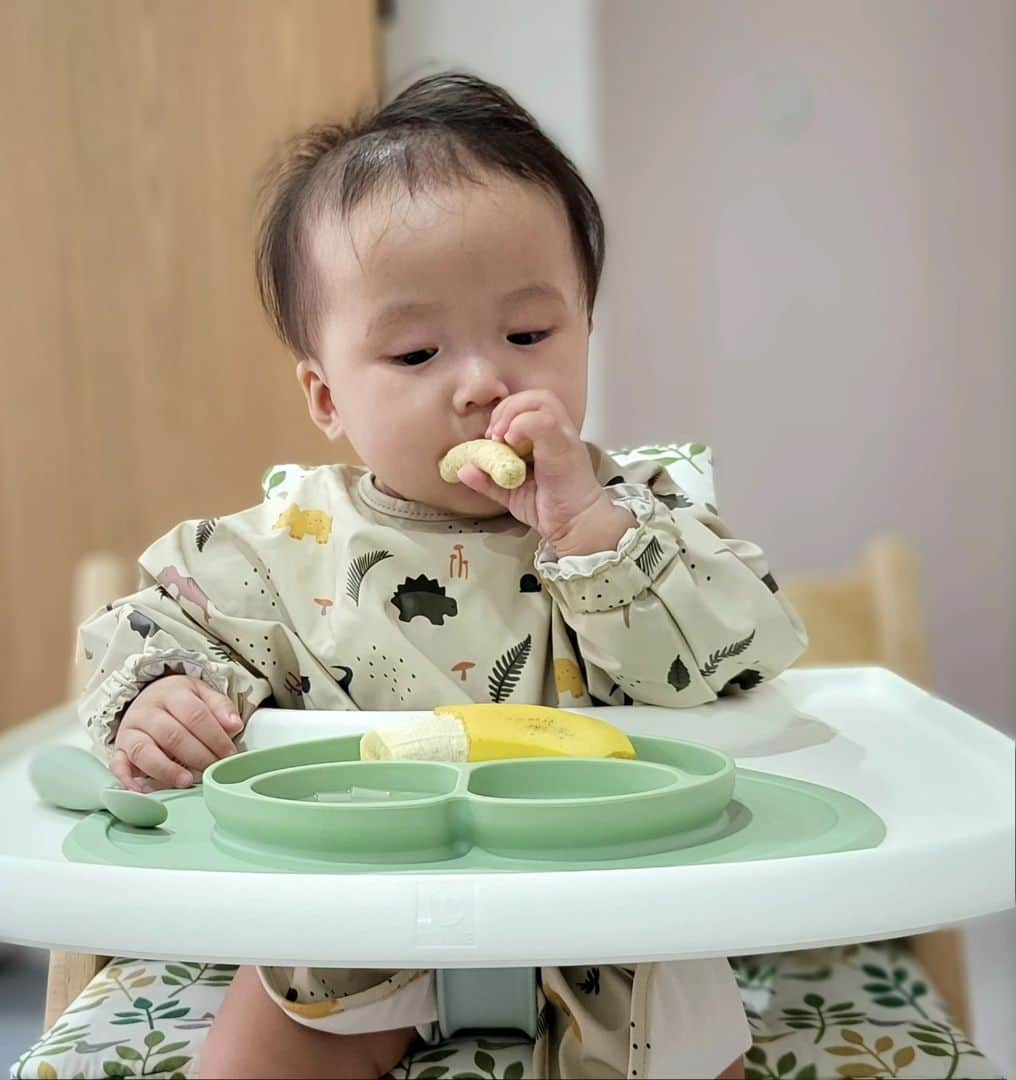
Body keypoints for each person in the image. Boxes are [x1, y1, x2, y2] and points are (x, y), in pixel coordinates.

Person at [76, 72, 807, 1080]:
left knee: (695, 1048)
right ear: (327, 395)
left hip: (618, 913)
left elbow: (744, 653)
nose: (482, 381)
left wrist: (593, 537)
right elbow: (151, 624)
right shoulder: (285, 546)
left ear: (585, 332)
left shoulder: (643, 516)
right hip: (348, 921)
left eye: (528, 335)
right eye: (417, 351)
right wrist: (162, 700)